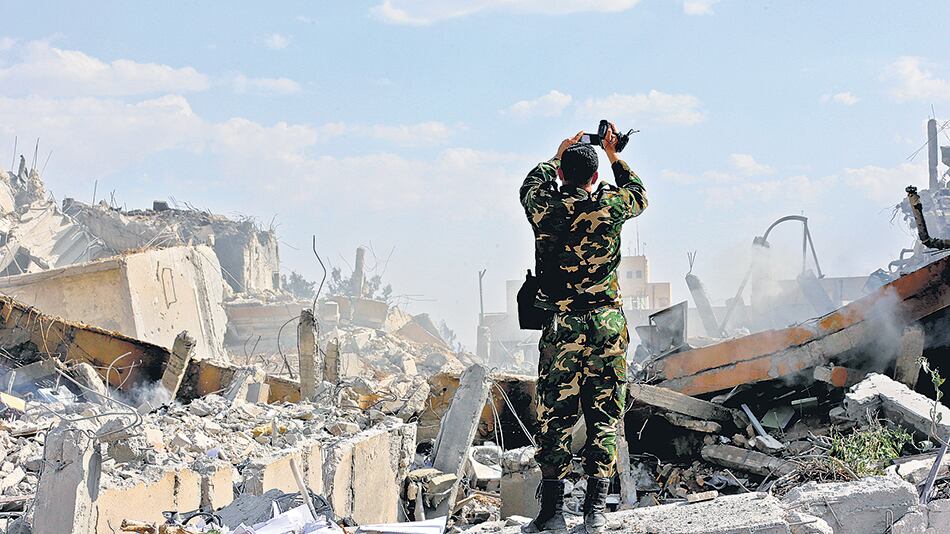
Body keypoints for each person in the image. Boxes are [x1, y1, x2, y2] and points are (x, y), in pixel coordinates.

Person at [518, 124, 647, 533]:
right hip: (607, 325)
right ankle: (594, 512)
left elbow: (529, 186)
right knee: (604, 416)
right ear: (595, 177)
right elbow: (639, 193)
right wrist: (613, 154)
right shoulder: (611, 205)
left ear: (562, 175)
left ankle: (553, 514)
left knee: (555, 417)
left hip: (563, 326)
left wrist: (557, 156)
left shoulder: (546, 206)